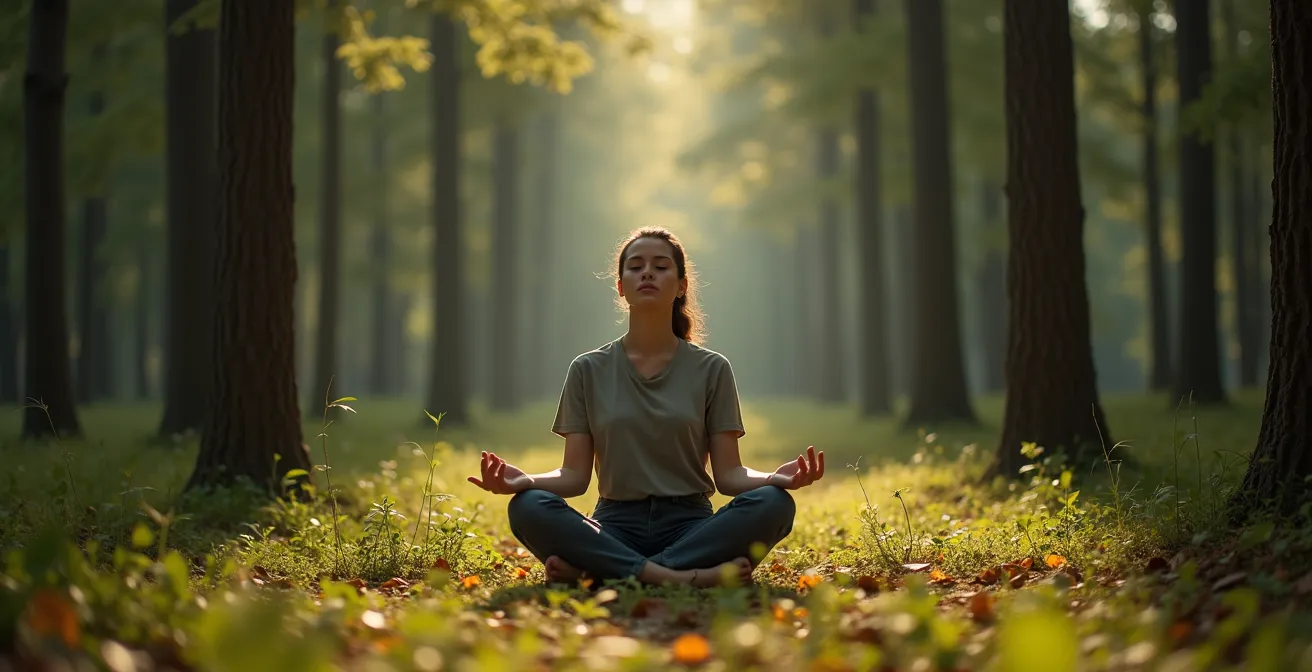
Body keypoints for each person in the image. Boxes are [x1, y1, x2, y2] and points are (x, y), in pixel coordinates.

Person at [468, 227, 825, 588]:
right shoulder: (588, 369)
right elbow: (574, 476)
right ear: (621, 287)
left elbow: (730, 475)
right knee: (527, 506)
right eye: (636, 267)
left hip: (691, 526)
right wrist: (525, 481)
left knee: (775, 503)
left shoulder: (712, 368)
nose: (648, 273)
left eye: (661, 266)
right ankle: (679, 576)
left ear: (682, 286)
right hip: (615, 526)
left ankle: (604, 572)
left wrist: (775, 479)